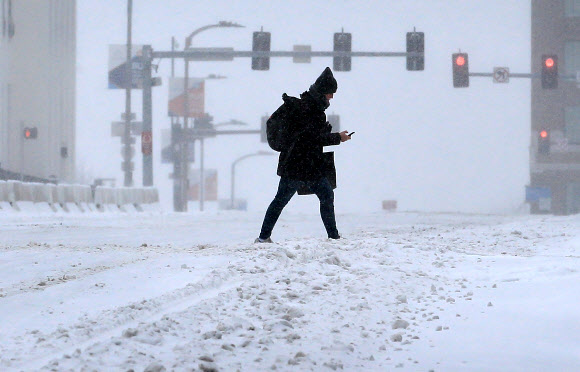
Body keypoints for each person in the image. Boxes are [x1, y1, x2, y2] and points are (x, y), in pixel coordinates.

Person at [255, 67, 351, 243]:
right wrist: (338, 137)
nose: (332, 97)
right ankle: (333, 236)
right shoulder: (311, 110)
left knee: (284, 200)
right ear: (322, 92)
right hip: (303, 165)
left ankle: (263, 237)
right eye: (330, 93)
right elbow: (311, 138)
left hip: (297, 164)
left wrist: (328, 132)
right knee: (324, 196)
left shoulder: (306, 107)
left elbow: (306, 136)